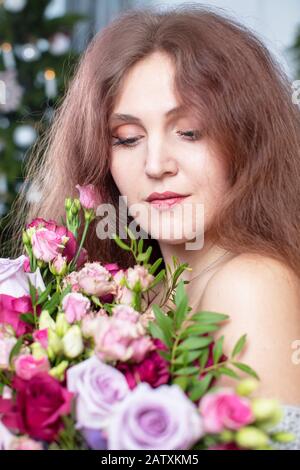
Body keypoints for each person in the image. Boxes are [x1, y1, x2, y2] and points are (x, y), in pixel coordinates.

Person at [6, 4, 300, 448]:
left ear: (248, 138)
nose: (156, 165)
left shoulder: (252, 282)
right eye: (127, 138)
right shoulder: (134, 293)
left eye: (190, 132)